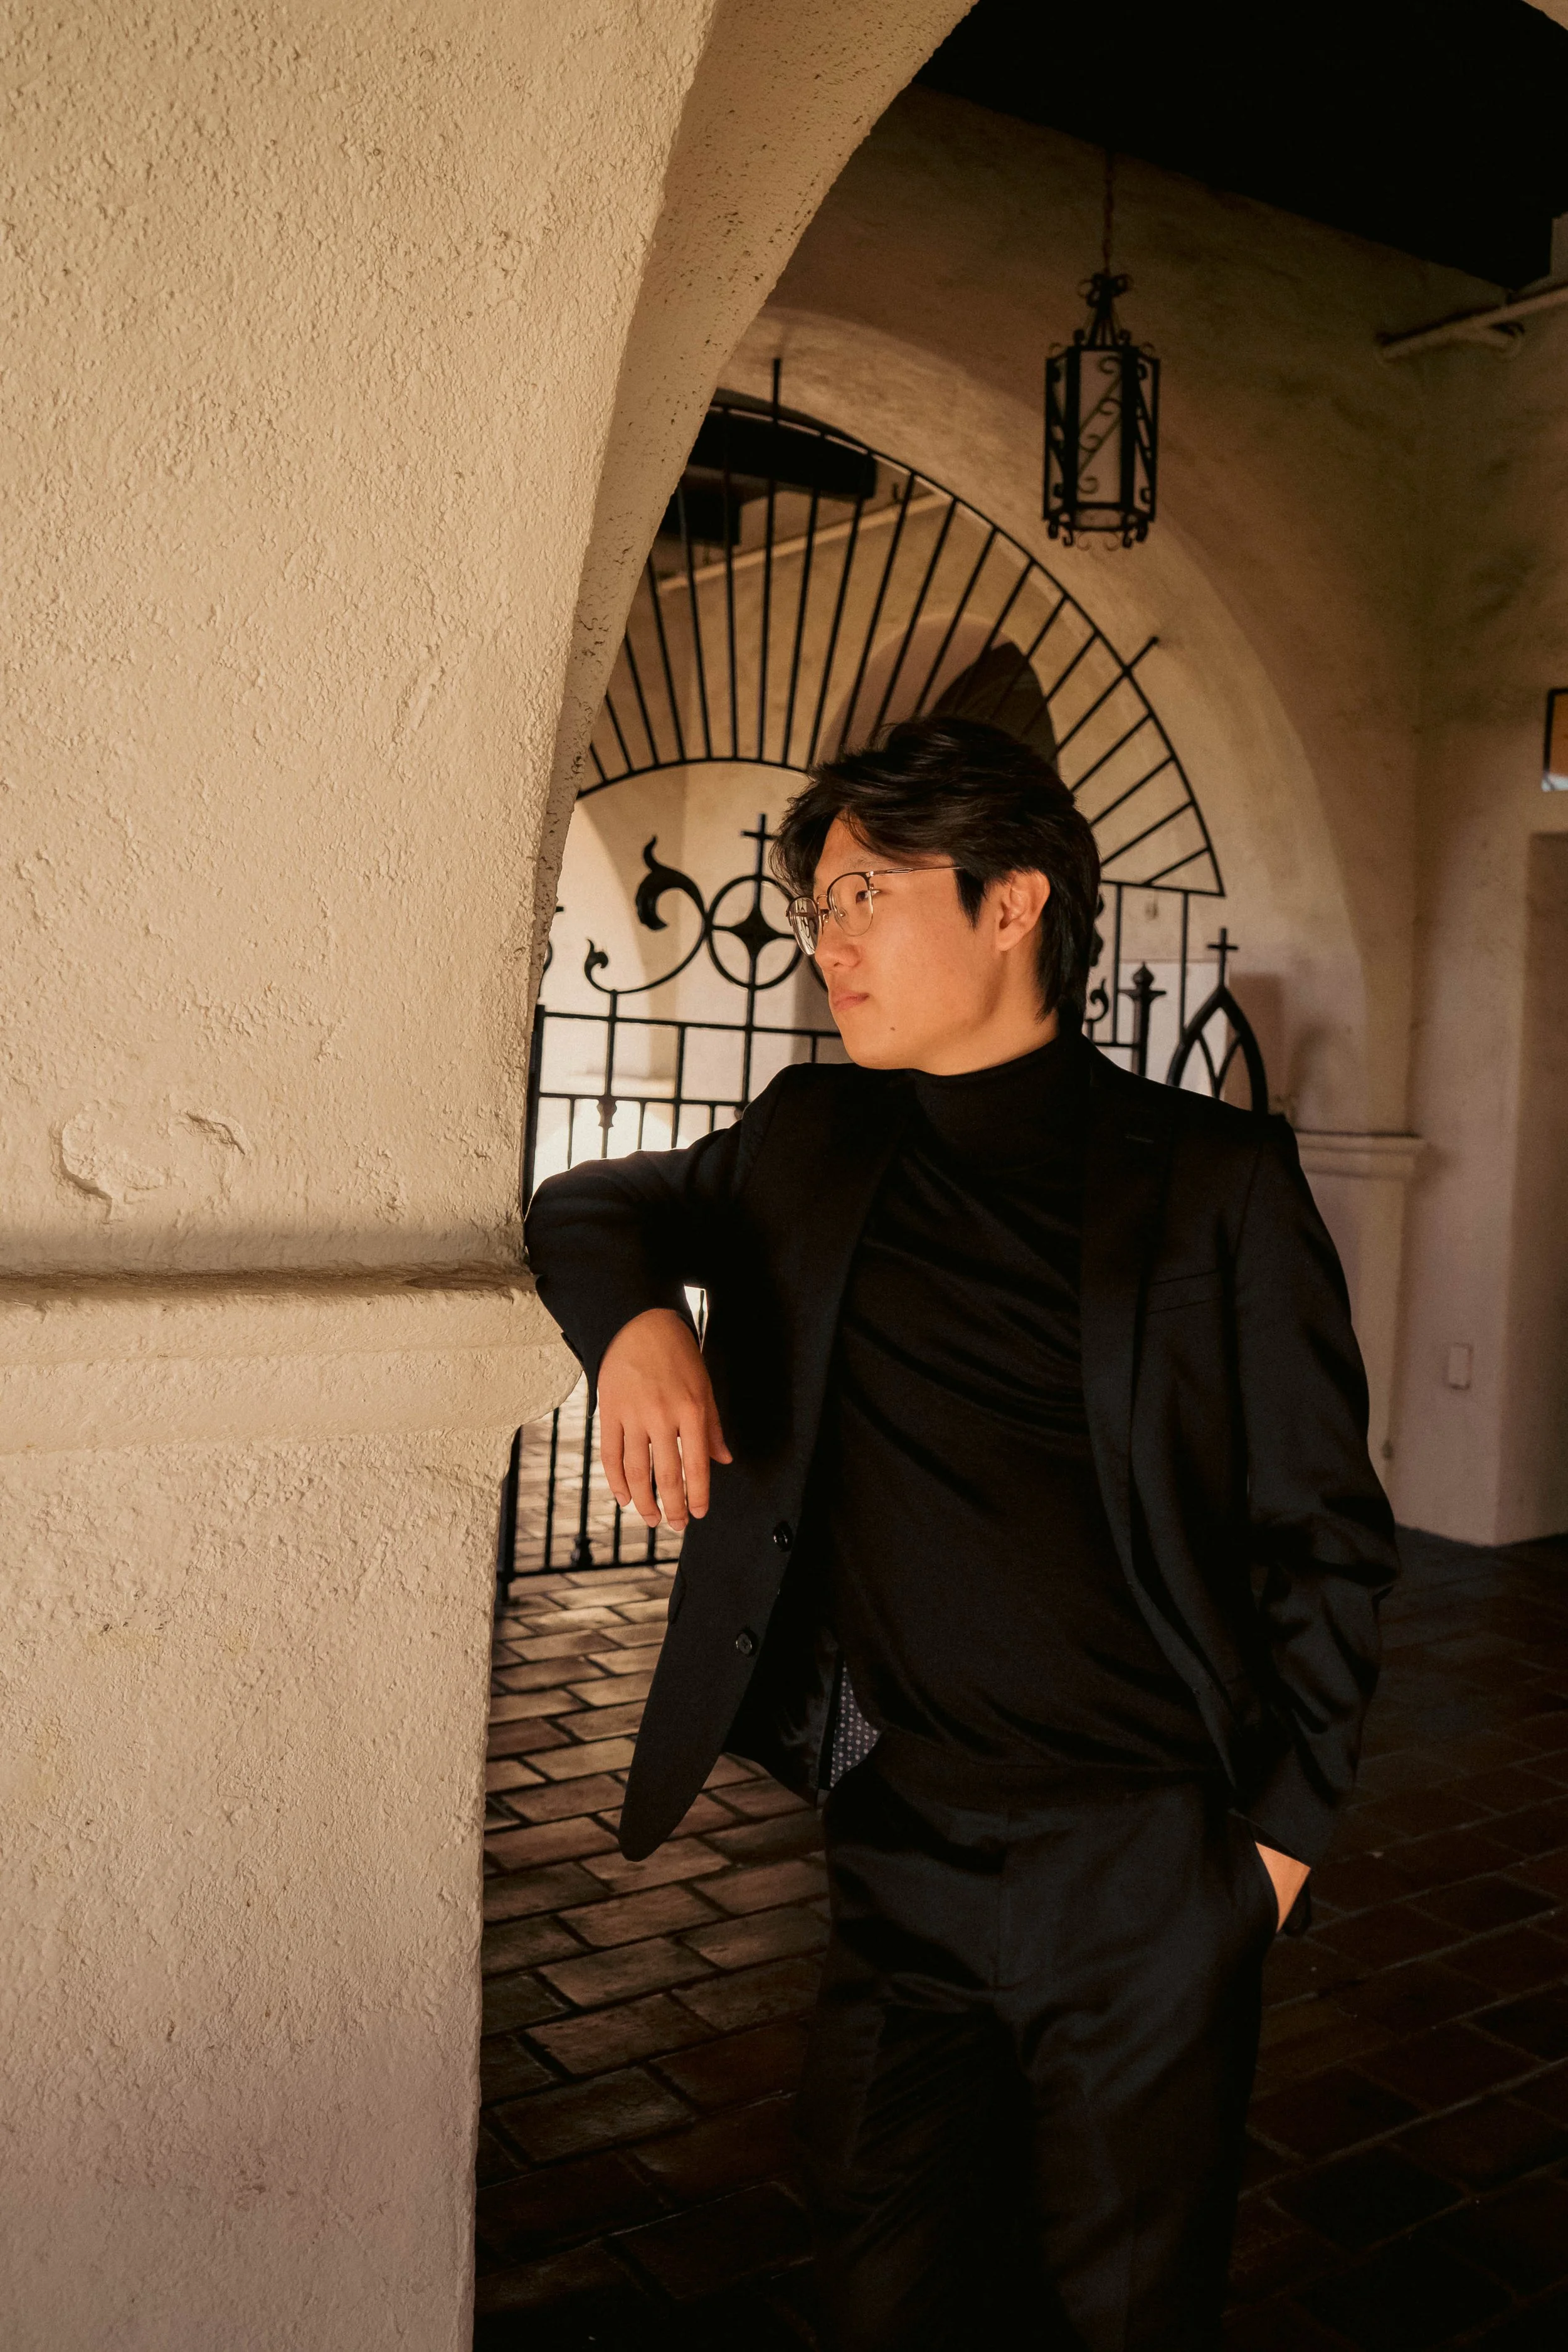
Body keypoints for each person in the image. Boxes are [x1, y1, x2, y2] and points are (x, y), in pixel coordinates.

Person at [522, 714, 1398, 2351]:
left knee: (1123, 2308)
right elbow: (589, 1205)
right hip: (895, 1854)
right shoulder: (812, 1140)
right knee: (881, 2286)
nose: (827, 940)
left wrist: (1264, 1861)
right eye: (814, 910)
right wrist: (639, 1322)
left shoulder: (1213, 1182)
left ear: (1013, 903)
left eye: (864, 894)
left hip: (1141, 1867)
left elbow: (1324, 1535)